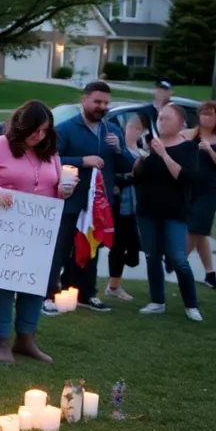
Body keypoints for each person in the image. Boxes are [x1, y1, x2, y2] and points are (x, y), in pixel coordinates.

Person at [0, 101, 72, 363]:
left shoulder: (50, 152)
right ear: (22, 126)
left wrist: (64, 191)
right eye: (34, 131)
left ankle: (26, 337)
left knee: (33, 285)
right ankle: (1, 338)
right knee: (2, 284)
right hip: (1, 229)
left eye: (45, 130)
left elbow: (53, 186)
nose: (39, 136)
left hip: (37, 231)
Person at [46, 81, 133, 316]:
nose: (102, 107)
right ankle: (49, 295)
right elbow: (52, 161)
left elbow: (128, 166)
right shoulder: (65, 129)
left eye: (106, 103)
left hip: (97, 206)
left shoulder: (112, 131)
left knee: (91, 249)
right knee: (60, 249)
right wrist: (82, 161)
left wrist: (120, 150)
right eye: (97, 101)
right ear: (84, 100)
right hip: (69, 199)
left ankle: (86, 293)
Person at [132, 103, 202, 321]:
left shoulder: (189, 148)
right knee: (152, 256)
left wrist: (163, 154)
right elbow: (138, 177)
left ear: (181, 124)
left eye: (167, 119)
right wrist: (141, 159)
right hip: (147, 209)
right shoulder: (151, 144)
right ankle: (157, 301)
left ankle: (191, 305)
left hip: (174, 211)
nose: (161, 122)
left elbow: (185, 178)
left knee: (178, 258)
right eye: (160, 118)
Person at [183, 100, 216, 290]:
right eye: (203, 114)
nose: (205, 118)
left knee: (196, 228)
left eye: (210, 115)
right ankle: (210, 274)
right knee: (201, 232)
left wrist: (211, 153)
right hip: (189, 188)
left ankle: (177, 261)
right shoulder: (190, 134)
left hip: (211, 189)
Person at [105, 113, 146, 301]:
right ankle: (113, 286)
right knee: (118, 246)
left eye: (138, 129)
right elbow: (116, 176)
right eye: (131, 128)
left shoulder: (142, 153)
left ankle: (114, 284)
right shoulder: (119, 151)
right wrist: (130, 178)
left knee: (134, 250)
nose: (134, 132)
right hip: (119, 207)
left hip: (136, 208)